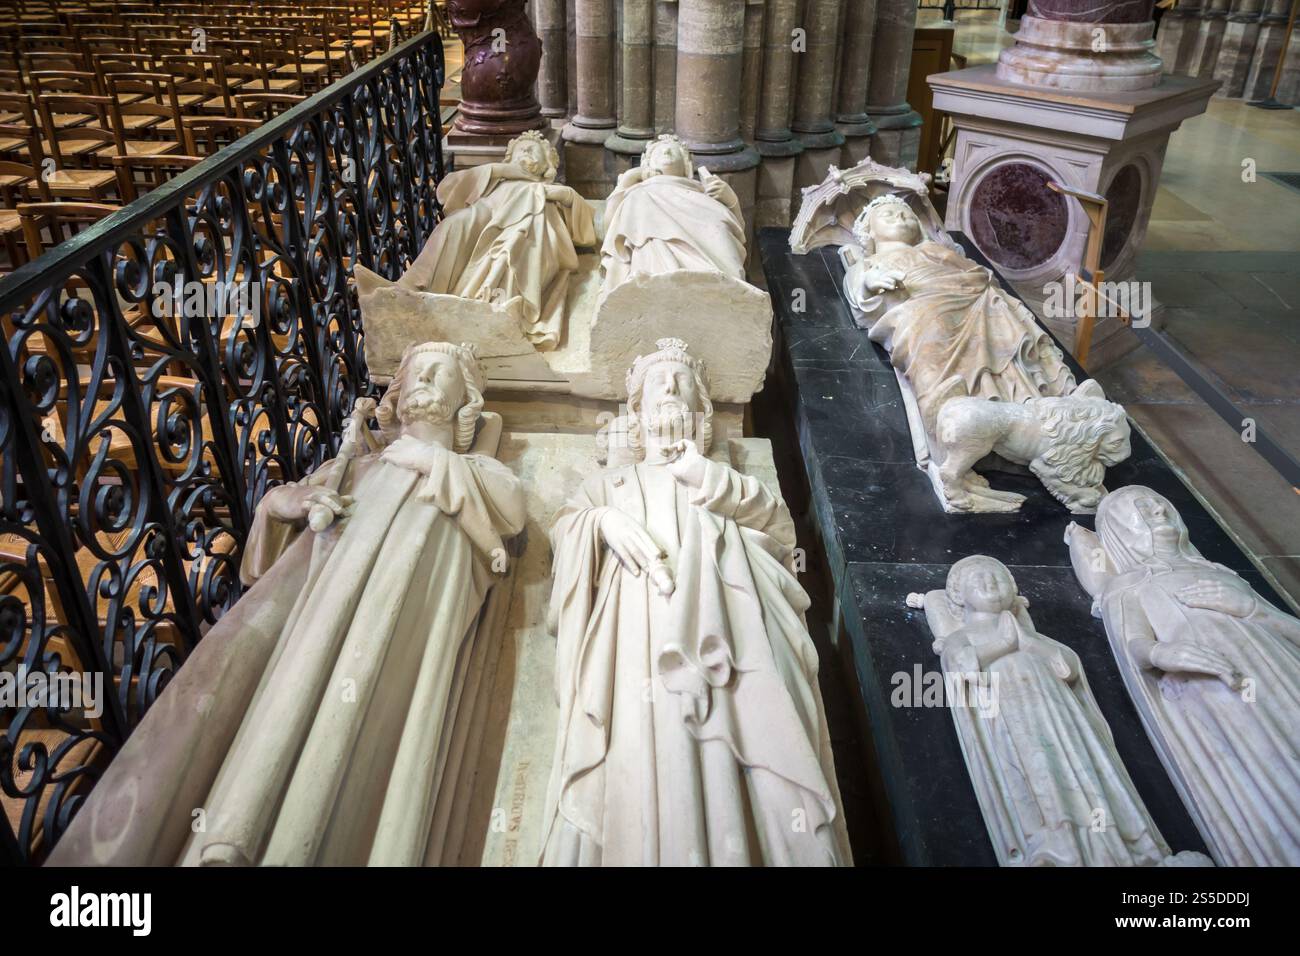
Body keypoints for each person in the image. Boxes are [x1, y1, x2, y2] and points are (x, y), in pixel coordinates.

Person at [541, 338, 851, 866]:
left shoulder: (726, 481)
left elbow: (778, 531)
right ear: (634, 414)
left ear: (702, 412)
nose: (669, 387)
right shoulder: (610, 484)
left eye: (682, 381)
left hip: (730, 641)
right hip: (634, 638)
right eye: (656, 383)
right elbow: (563, 534)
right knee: (648, 743)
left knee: (729, 749)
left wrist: (705, 476)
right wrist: (602, 523)